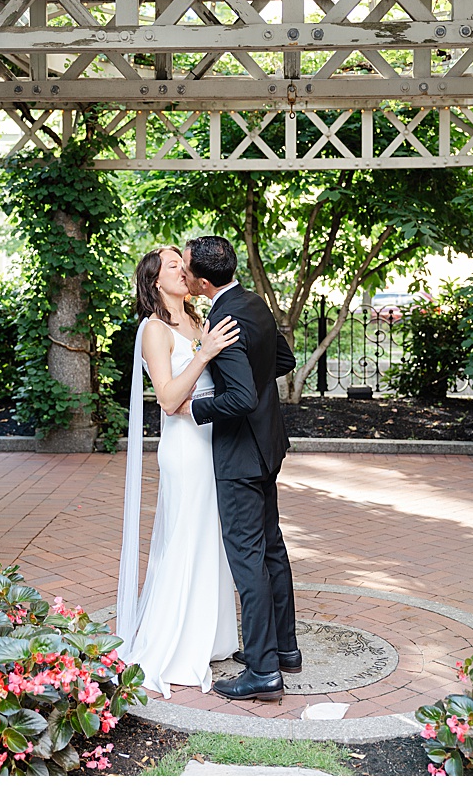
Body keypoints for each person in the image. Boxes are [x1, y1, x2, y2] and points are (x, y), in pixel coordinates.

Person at [178, 235, 300, 702]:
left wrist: (198, 409)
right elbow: (282, 360)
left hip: (240, 456)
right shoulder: (253, 302)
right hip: (269, 444)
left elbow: (242, 397)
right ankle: (285, 648)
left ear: (204, 281)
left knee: (247, 559)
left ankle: (264, 670)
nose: (184, 275)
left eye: (187, 269)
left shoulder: (222, 318)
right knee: (272, 548)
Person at [115, 246, 242, 698]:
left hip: (213, 442)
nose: (184, 270)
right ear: (155, 282)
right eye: (174, 265)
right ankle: (172, 643)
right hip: (185, 446)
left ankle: (210, 636)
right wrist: (204, 354)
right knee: (185, 538)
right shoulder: (154, 330)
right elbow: (168, 400)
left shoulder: (197, 320)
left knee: (212, 537)